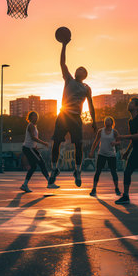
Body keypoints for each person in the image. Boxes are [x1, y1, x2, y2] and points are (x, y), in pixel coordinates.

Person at [49, 36, 97, 187]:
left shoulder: (86, 88)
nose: (78, 70)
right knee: (56, 143)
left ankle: (77, 170)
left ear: (84, 75)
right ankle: (54, 169)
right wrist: (64, 45)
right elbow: (62, 62)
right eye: (77, 69)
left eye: (81, 70)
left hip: (76, 118)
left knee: (78, 145)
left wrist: (94, 121)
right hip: (63, 115)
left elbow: (91, 105)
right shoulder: (68, 79)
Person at [20, 111, 57, 192]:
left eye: (36, 116)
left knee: (33, 167)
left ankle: (24, 185)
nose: (35, 118)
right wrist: (44, 143)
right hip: (28, 148)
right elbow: (33, 138)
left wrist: (35, 146)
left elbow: (32, 139)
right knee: (41, 163)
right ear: (30, 117)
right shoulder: (30, 126)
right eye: (33, 116)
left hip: (31, 148)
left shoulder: (34, 126)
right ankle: (49, 183)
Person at [88, 116, 121, 196]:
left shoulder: (114, 132)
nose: (107, 121)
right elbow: (96, 142)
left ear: (112, 122)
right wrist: (92, 151)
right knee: (98, 171)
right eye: (106, 120)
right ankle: (94, 189)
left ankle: (117, 188)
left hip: (111, 155)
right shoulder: (100, 131)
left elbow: (119, 141)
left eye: (108, 120)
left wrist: (115, 143)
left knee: (113, 172)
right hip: (101, 154)